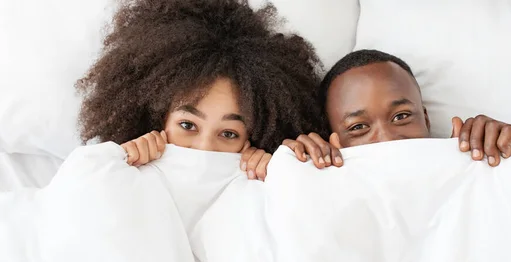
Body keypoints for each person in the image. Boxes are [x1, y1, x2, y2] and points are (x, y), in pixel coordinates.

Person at [77, 0, 328, 181]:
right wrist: (116, 165)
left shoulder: (262, 182)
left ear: (256, 139)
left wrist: (279, 176)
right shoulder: (116, 170)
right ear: (155, 119)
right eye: (187, 125)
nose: (204, 147)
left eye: (229, 134)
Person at [282, 49, 511, 168]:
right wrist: (291, 169)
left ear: (426, 120)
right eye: (358, 127)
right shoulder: (320, 191)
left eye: (401, 116)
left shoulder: (477, 168)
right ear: (333, 142)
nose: (388, 139)